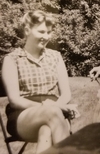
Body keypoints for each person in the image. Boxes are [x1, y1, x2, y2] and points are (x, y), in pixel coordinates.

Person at [1, 10, 79, 154]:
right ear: (27, 30)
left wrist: (55, 107)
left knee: (46, 131)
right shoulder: (12, 59)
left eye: (49, 32)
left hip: (56, 112)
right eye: (41, 32)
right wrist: (48, 107)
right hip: (24, 116)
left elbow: (66, 93)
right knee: (52, 114)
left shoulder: (55, 57)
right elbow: (14, 100)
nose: (46, 36)